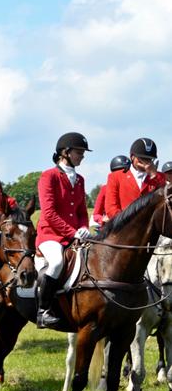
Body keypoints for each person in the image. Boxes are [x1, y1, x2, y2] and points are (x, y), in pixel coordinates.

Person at [36, 132, 92, 329]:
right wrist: (72, 232)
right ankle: (43, 311)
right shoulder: (48, 176)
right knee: (57, 262)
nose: (82, 156)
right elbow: (49, 213)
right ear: (65, 152)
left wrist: (84, 227)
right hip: (50, 235)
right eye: (79, 152)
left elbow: (81, 211)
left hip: (74, 235)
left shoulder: (80, 179)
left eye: (83, 153)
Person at [101, 138, 164, 220]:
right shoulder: (115, 177)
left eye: (149, 159)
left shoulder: (160, 177)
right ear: (132, 157)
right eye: (142, 158)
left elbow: (165, 199)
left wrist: (153, 175)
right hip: (124, 227)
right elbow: (111, 208)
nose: (145, 162)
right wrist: (126, 223)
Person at [92, 155, 131, 228]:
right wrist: (103, 219)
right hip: (109, 228)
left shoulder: (132, 187)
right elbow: (96, 215)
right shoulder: (105, 189)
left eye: (126, 171)